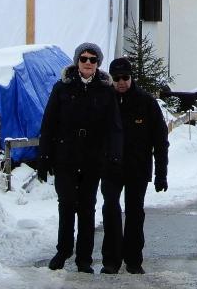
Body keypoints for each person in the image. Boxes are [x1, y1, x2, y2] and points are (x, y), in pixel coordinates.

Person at [38, 43, 122, 273]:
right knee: (66, 204)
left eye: (92, 59)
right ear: (77, 61)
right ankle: (63, 250)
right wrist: (44, 156)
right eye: (83, 58)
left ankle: (84, 258)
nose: (87, 63)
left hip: (92, 158)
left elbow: (114, 127)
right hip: (66, 156)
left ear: (97, 63)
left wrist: (114, 155)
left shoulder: (105, 91)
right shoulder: (62, 88)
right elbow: (49, 124)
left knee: (87, 207)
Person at [100, 57, 169, 275]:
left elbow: (160, 141)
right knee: (110, 209)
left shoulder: (146, 102)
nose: (121, 82)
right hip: (110, 167)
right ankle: (111, 260)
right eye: (116, 78)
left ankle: (133, 259)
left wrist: (161, 174)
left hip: (137, 167)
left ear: (131, 77)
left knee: (135, 212)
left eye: (125, 77)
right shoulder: (105, 100)